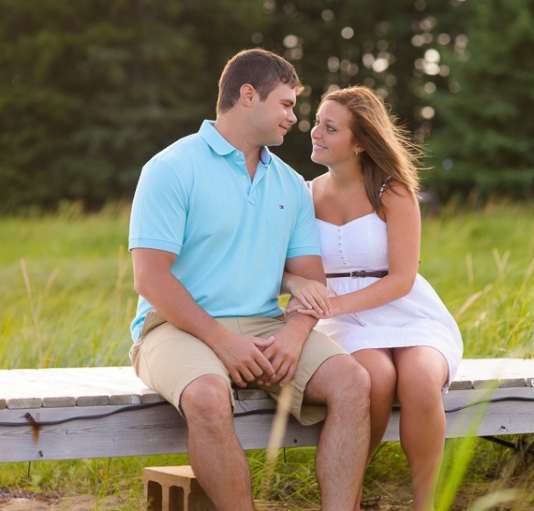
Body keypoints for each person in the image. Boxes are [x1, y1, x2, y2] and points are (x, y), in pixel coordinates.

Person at [128, 49, 371, 511]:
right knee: (206, 396)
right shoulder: (171, 168)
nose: (294, 118)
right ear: (247, 95)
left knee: (352, 382)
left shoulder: (291, 184)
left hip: (265, 325)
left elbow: (309, 279)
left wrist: (296, 335)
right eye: (285, 104)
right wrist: (221, 340)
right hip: (174, 328)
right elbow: (150, 277)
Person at [284, 86, 464, 511]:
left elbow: (403, 279)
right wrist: (303, 290)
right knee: (376, 379)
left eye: (331, 128)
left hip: (406, 311)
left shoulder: (393, 192)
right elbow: (281, 267)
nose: (315, 133)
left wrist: (334, 303)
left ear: (360, 142)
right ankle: (349, 496)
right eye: (316, 124)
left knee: (420, 379)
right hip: (342, 322)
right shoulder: (302, 196)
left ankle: (426, 504)